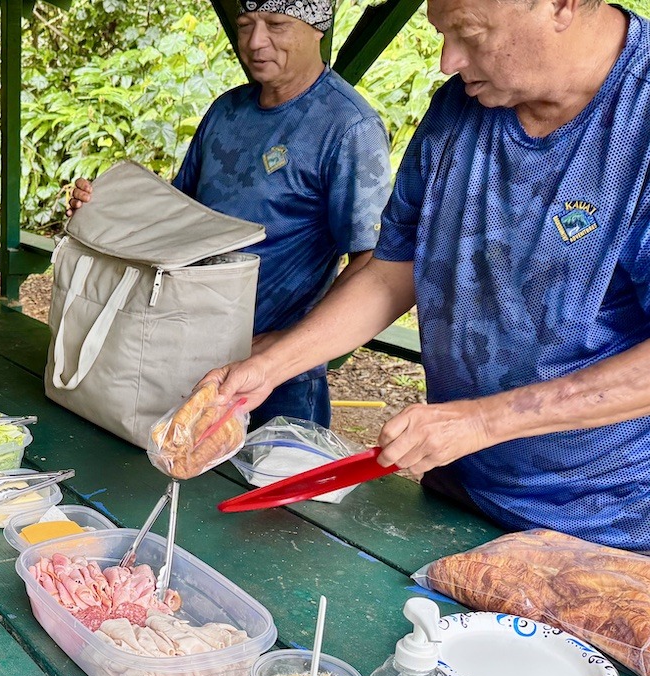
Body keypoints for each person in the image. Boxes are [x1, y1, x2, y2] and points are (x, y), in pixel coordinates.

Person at [207, 0, 650, 550]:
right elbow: (392, 270)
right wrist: (273, 365)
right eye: (442, 33)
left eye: (468, 32)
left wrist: (484, 422)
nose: (447, 61)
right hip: (456, 488)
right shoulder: (460, 107)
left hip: (607, 527)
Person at [68, 0, 391, 429]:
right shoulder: (227, 111)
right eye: (245, 25)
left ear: (319, 29)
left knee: (266, 492)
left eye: (276, 25)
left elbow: (373, 263)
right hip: (184, 355)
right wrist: (103, 206)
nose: (256, 42)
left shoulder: (349, 128)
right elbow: (174, 217)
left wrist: (287, 346)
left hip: (278, 377)